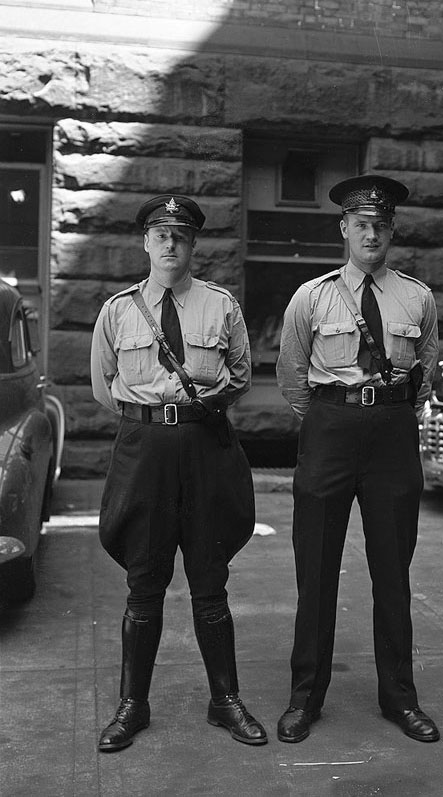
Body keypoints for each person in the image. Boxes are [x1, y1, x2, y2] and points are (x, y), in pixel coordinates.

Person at [91, 194, 267, 752]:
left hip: (205, 449)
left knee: (210, 579)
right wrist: (152, 418)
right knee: (144, 581)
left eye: (181, 236)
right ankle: (132, 706)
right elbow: (104, 387)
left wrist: (194, 413)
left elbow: (239, 375)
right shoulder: (118, 310)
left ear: (194, 245)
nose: (170, 244)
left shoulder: (220, 306)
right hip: (144, 451)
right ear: (145, 242)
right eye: (160, 235)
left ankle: (226, 701)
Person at [276, 174, 440, 744]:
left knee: (393, 571)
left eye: (381, 225)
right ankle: (305, 698)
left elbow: (426, 370)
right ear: (343, 229)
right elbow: (294, 376)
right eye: (362, 225)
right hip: (330, 429)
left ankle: (399, 697)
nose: (372, 234)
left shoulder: (416, 296)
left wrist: (387, 411)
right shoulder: (312, 296)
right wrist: (333, 417)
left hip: (393, 433)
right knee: (315, 570)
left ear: (391, 231)